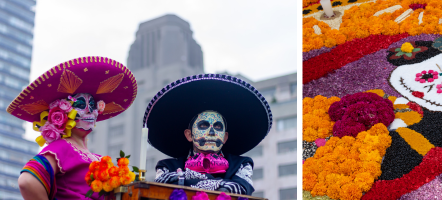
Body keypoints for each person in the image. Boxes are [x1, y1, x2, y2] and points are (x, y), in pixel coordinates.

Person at [9, 57, 137, 200]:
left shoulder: (100, 160)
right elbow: (27, 181)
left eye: (93, 105)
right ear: (62, 112)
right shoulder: (63, 147)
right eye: (81, 105)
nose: (90, 111)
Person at [143, 74, 272, 196]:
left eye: (217, 127)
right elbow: (161, 188)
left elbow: (240, 189)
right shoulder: (167, 166)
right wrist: (220, 184)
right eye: (203, 126)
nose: (211, 132)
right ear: (189, 135)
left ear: (225, 137)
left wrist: (183, 178)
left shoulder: (242, 164)